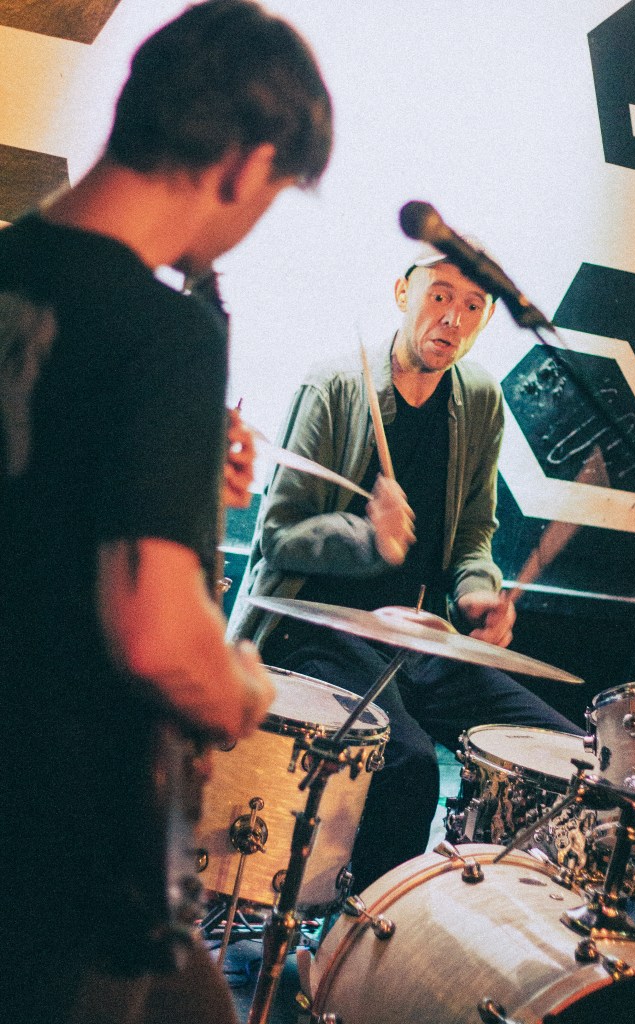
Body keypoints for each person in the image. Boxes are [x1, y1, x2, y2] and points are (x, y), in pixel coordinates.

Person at [0, 2, 332, 1022]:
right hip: (59, 829)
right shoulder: (167, 332)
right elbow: (155, 637)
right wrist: (238, 688)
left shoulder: (12, 265)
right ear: (245, 163)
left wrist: (179, 478)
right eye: (271, 194)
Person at [229, 247, 583, 894]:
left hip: (419, 637)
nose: (453, 318)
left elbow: (474, 535)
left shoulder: (480, 400)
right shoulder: (334, 388)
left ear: (486, 319)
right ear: (403, 294)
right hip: (319, 633)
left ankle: (485, 923)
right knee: (408, 765)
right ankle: (360, 937)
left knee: (563, 756)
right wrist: (369, 541)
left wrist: (477, 594)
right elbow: (278, 537)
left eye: (472, 305)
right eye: (439, 295)